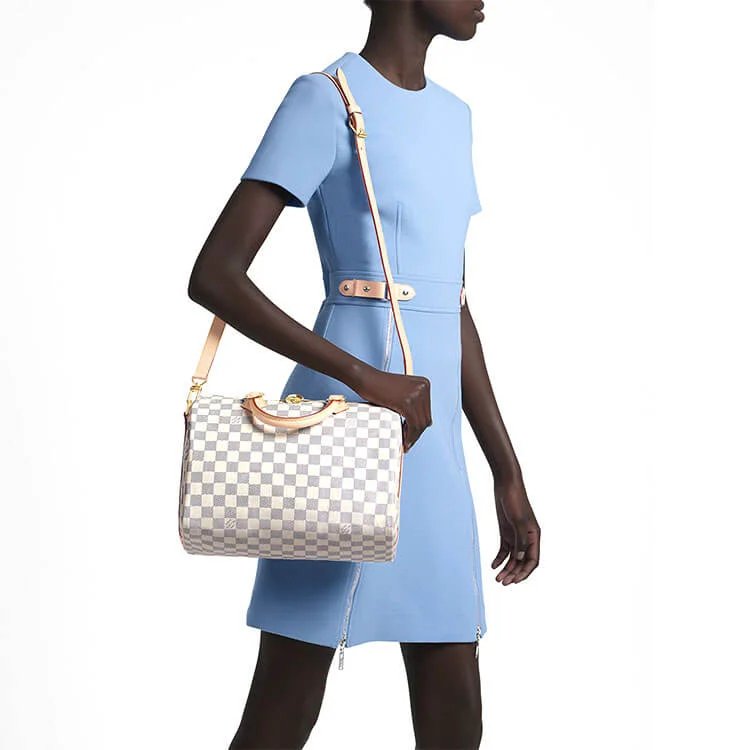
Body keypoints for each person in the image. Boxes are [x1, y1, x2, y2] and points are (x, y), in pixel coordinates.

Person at [187, 2, 540, 748]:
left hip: (431, 443)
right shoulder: (326, 98)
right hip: (343, 428)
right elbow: (215, 274)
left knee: (455, 702)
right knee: (285, 702)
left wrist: (506, 469)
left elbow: (449, 304)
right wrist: (363, 378)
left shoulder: (455, 118)